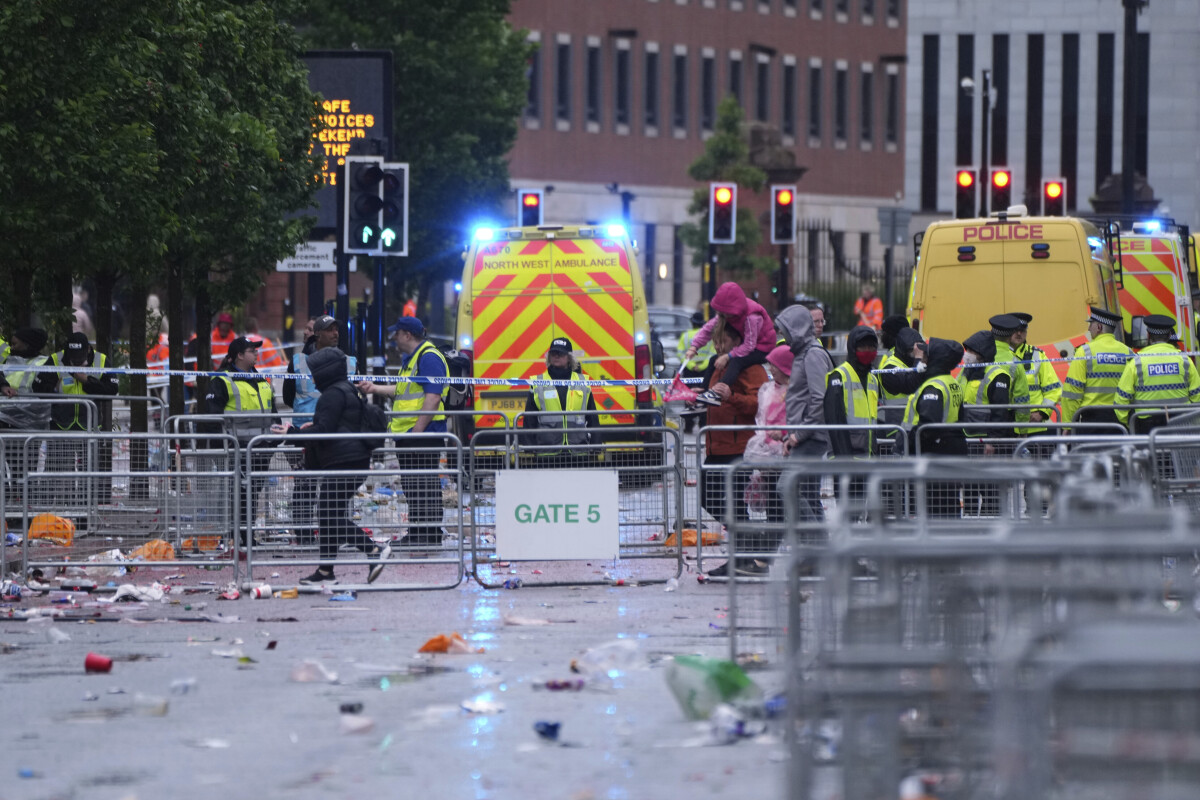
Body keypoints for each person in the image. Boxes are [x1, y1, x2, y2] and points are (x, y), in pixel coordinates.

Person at [295, 347, 390, 586]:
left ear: (324, 373)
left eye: (314, 372)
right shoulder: (348, 389)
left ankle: (373, 550)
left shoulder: (332, 394)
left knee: (329, 515)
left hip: (343, 461)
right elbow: (339, 424)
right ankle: (326, 571)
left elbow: (324, 432)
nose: (312, 377)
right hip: (353, 459)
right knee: (329, 515)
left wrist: (291, 432)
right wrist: (312, 425)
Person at [358, 316, 449, 551]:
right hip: (410, 433)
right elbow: (403, 390)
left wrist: (417, 431)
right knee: (414, 485)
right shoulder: (413, 360)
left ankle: (429, 533)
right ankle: (419, 531)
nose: (395, 339)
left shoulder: (428, 357)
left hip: (422, 433)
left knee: (424, 485)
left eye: (397, 334)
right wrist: (375, 388)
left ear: (407, 335)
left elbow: (433, 396)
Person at [697, 320, 768, 578]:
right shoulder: (719, 366)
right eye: (715, 340)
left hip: (738, 446)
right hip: (717, 445)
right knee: (709, 496)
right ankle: (752, 542)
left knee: (735, 504)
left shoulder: (748, 367)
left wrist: (731, 397)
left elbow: (759, 403)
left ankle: (742, 557)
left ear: (737, 342)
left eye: (722, 341)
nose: (717, 345)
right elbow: (716, 396)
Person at [283, 315, 356, 544]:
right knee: (304, 486)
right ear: (318, 334)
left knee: (336, 487)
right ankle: (304, 534)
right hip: (304, 434)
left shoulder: (349, 361)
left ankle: (335, 534)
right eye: (330, 330)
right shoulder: (298, 361)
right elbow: (287, 395)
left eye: (337, 329)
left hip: (335, 433)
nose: (336, 333)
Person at [205, 336, 280, 547]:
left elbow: (273, 412)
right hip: (236, 449)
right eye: (251, 350)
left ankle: (247, 537)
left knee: (251, 494)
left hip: (260, 449)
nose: (256, 353)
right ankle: (233, 536)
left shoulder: (260, 379)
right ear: (239, 355)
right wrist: (224, 447)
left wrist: (272, 443)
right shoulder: (222, 379)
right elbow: (212, 418)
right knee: (235, 494)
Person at [47, 333, 120, 509]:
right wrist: (54, 384)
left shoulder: (101, 360)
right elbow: (39, 386)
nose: (76, 361)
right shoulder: (56, 359)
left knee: (89, 472)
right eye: (73, 358)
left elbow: (112, 390)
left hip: (89, 425)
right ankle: (65, 510)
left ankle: (86, 511)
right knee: (62, 473)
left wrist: (86, 380)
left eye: (80, 357)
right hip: (61, 425)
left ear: (88, 350)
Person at [774, 304, 832, 523]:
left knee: (787, 487)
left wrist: (800, 434)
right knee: (807, 495)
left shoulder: (812, 355)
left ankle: (815, 545)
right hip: (806, 436)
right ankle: (818, 551)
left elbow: (819, 398)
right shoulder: (804, 353)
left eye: (785, 331)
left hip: (810, 438)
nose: (783, 336)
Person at [683, 282, 776, 407]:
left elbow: (749, 345)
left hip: (763, 347)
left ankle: (717, 392)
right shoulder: (725, 314)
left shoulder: (752, 317)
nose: (725, 316)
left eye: (727, 313)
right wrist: (694, 347)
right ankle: (705, 394)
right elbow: (707, 329)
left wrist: (729, 356)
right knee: (713, 360)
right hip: (746, 345)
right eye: (723, 313)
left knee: (737, 361)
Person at [903, 338, 967, 517]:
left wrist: (910, 441)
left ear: (934, 359)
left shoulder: (934, 386)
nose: (922, 358)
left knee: (935, 507)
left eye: (925, 355)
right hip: (950, 448)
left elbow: (928, 426)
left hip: (935, 452)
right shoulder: (951, 381)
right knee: (949, 505)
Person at [1115, 314, 1200, 433]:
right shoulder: (1185, 360)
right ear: (1169, 336)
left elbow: (1121, 400)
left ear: (1149, 335)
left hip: (1146, 426)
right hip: (1181, 424)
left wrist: (1129, 424)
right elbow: (1197, 396)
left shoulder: (1137, 362)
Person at [522, 337, 600, 466]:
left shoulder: (582, 382)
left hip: (577, 450)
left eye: (561, 353)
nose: (556, 356)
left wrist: (596, 445)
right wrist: (529, 446)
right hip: (547, 451)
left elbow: (592, 416)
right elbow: (529, 418)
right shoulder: (538, 382)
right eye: (553, 353)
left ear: (569, 357)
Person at [0, 328, 56, 492]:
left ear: (27, 344)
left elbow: (45, 390)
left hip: (29, 422)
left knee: (24, 465)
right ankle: (7, 497)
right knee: (5, 462)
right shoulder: (7, 360)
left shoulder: (44, 362)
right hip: (5, 418)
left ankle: (23, 500)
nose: (11, 347)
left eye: (15, 343)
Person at [1061, 307, 1132, 426]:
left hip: (1092, 420)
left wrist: (1068, 424)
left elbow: (1072, 392)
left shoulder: (1085, 352)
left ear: (1099, 327)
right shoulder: (1128, 352)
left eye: (1091, 324)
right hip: (1120, 420)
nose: (1089, 328)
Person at [825, 326, 881, 459]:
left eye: (871, 347)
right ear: (853, 348)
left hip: (867, 458)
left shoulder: (873, 380)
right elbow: (835, 421)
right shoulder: (839, 376)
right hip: (845, 460)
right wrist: (845, 461)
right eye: (862, 347)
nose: (867, 351)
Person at [1010, 312, 1062, 432]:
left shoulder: (1038, 354)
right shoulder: (999, 356)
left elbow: (1053, 389)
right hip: (1007, 427)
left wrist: (1042, 412)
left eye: (1022, 330)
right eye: (1015, 329)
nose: (1019, 333)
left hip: (1033, 428)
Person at [677, 311, 716, 433]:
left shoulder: (686, 335)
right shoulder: (709, 337)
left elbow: (680, 352)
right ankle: (703, 425)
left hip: (689, 371)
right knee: (704, 397)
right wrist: (702, 366)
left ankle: (688, 426)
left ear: (692, 323)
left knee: (689, 397)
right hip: (705, 371)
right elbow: (712, 353)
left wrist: (691, 365)